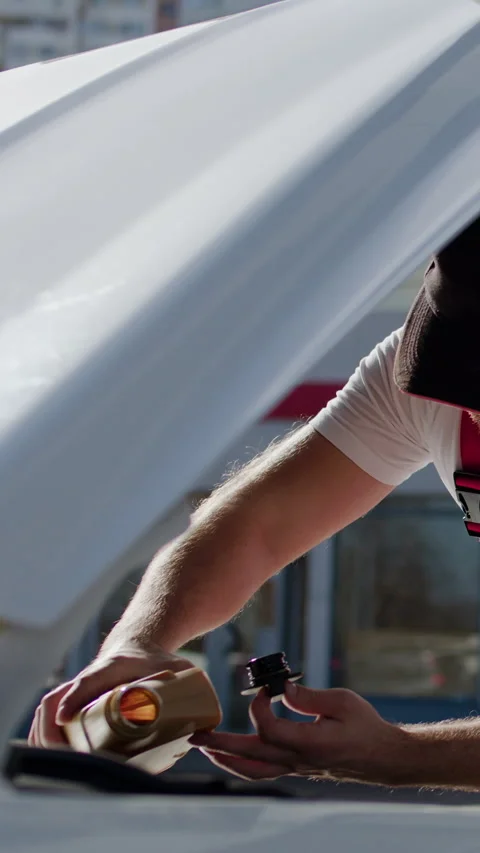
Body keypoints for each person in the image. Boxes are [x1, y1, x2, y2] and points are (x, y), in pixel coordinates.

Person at [30, 215, 480, 791]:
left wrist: (400, 755)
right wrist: (138, 641)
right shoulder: (424, 380)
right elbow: (254, 525)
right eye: (458, 381)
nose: (466, 408)